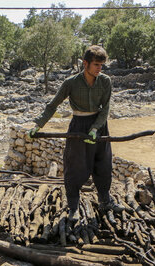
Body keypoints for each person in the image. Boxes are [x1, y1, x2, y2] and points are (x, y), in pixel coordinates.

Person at [29, 45, 123, 222]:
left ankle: (105, 201)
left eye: (101, 65)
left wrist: (95, 128)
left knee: (103, 164)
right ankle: (73, 208)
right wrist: (38, 125)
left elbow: (105, 108)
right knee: (75, 166)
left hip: (100, 127)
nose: (99, 69)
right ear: (85, 64)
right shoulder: (70, 83)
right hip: (78, 127)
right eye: (96, 64)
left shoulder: (105, 82)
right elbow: (52, 106)